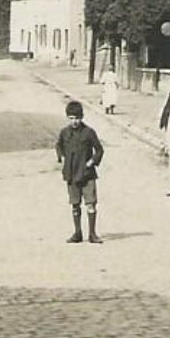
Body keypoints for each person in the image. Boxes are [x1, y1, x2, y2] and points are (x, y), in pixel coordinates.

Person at [55, 100, 105, 244]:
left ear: (81, 117)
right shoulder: (64, 133)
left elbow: (100, 149)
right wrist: (62, 157)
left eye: (77, 118)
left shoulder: (89, 132)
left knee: (91, 203)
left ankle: (92, 234)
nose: (74, 121)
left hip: (87, 174)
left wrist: (92, 161)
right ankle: (77, 233)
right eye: (71, 118)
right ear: (67, 118)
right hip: (71, 173)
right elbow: (58, 145)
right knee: (75, 204)